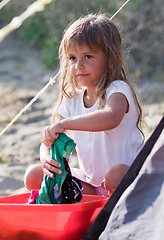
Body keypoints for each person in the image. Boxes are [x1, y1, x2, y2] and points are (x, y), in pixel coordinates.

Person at [24, 13, 144, 196]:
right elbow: (50, 137)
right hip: (92, 184)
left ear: (109, 57)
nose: (78, 65)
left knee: (114, 174)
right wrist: (46, 156)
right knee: (33, 175)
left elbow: (110, 117)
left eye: (88, 56)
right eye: (72, 58)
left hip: (126, 176)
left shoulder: (118, 90)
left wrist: (65, 124)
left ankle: (112, 209)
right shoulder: (73, 98)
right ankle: (91, 205)